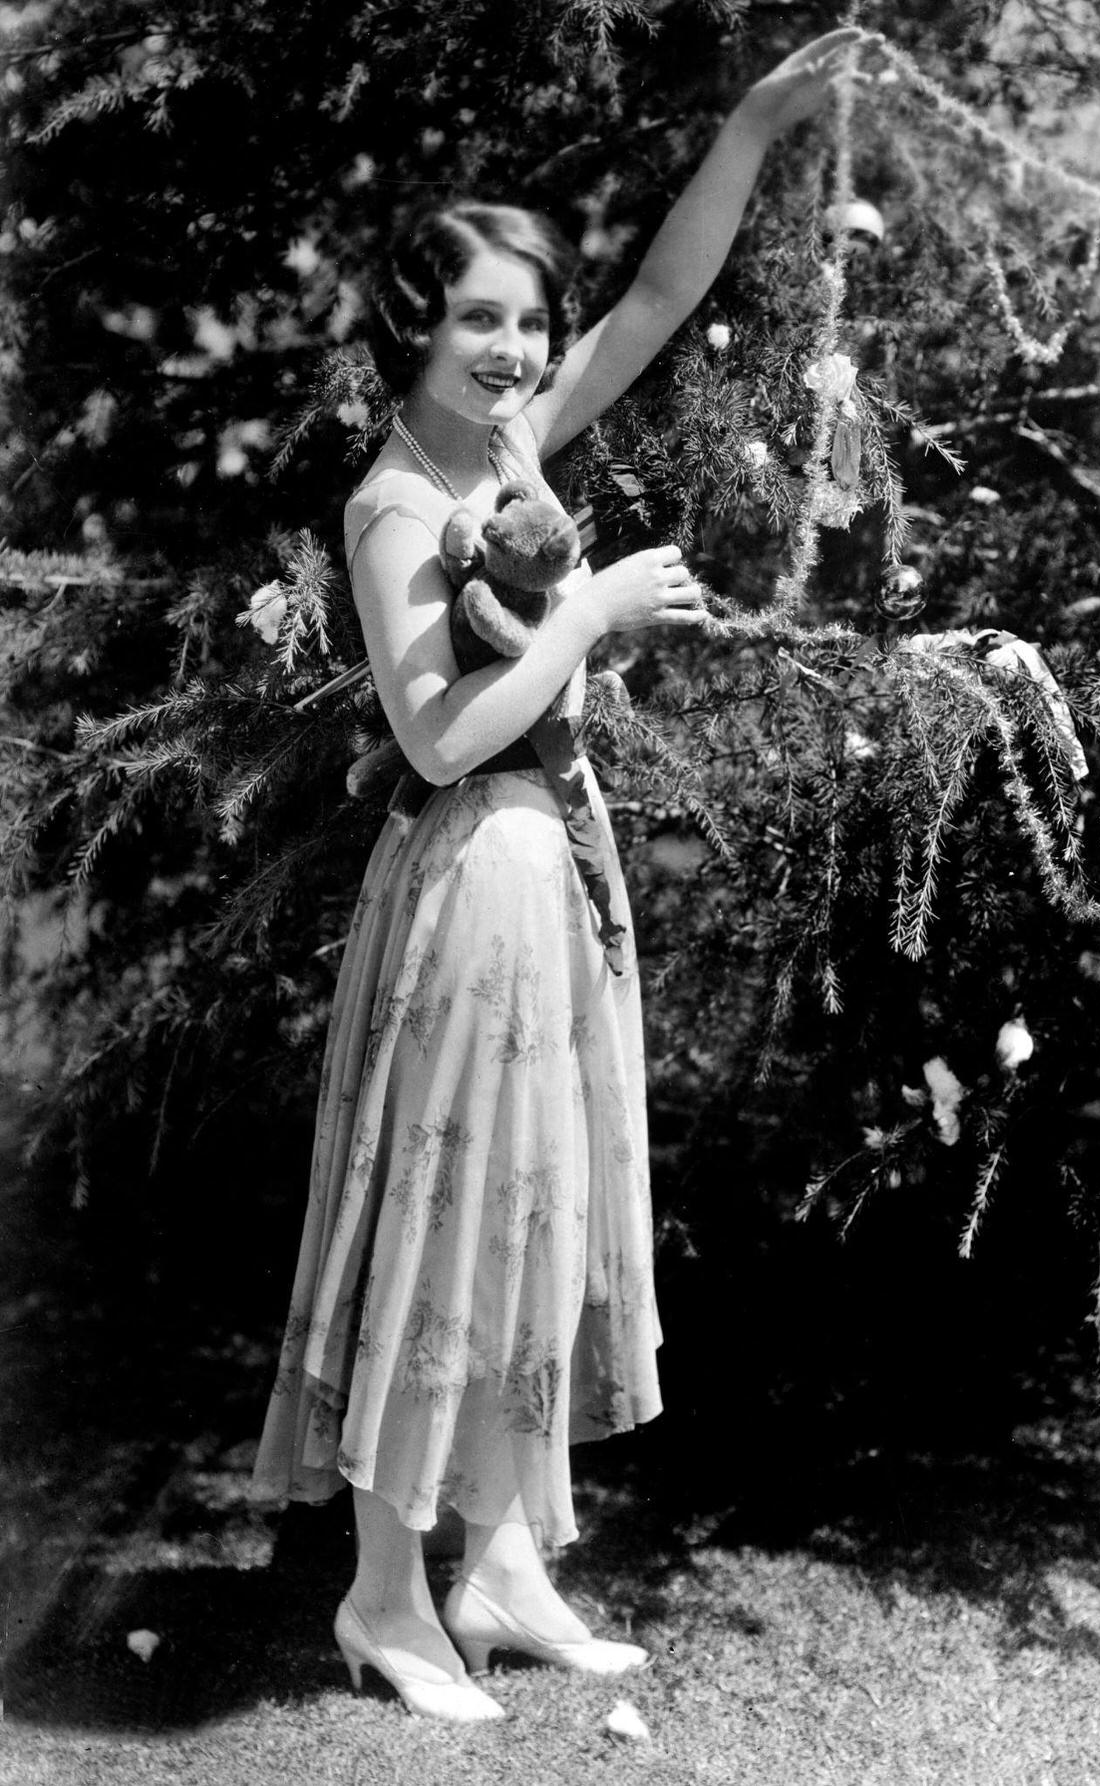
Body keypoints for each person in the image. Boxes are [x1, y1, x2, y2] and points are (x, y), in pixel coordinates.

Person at [252, 26, 864, 1723]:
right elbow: (440, 738)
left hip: (556, 881)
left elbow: (662, 300)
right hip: (465, 887)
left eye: (529, 318)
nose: (519, 348)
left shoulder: (508, 452)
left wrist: (753, 125)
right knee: (445, 1224)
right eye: (481, 319)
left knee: (540, 1214)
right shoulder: (396, 504)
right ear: (412, 328)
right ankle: (385, 1595)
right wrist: (590, 616)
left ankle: (505, 1566)